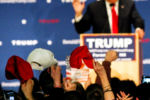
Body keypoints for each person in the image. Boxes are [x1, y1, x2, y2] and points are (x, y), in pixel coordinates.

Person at [72, 0, 145, 39]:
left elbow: (137, 20)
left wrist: (138, 29)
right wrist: (78, 14)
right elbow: (81, 29)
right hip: (101, 52)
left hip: (125, 49)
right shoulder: (94, 7)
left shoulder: (129, 4)